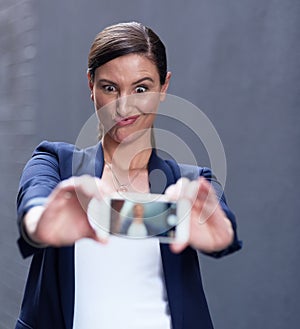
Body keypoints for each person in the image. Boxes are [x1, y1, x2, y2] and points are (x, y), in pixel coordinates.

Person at [15, 22, 242, 329]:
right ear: (90, 85)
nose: (125, 105)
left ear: (164, 87)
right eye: (110, 88)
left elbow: (222, 225)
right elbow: (34, 203)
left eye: (141, 88)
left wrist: (223, 237)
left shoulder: (190, 183)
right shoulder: (56, 164)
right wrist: (41, 225)